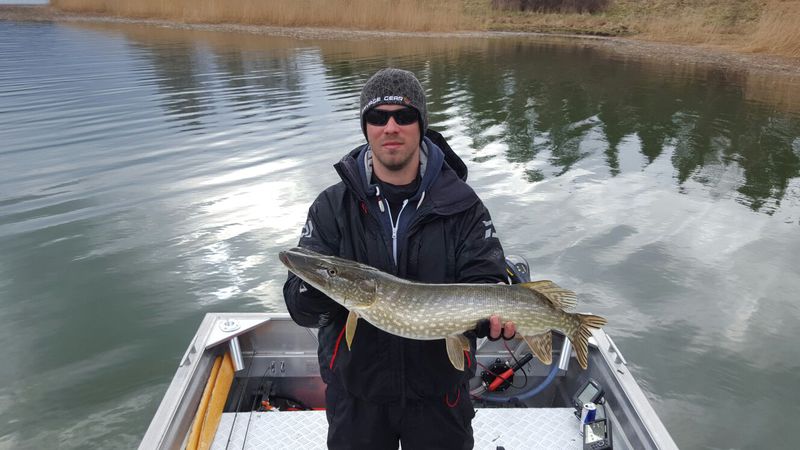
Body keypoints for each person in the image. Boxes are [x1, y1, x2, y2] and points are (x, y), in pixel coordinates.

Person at [283, 68, 515, 450]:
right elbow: (299, 307)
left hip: (441, 398)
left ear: (421, 125)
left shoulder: (463, 206)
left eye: (404, 116)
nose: (390, 127)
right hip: (356, 399)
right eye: (378, 117)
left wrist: (492, 321)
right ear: (366, 127)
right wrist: (323, 284)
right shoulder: (331, 206)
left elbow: (487, 279)